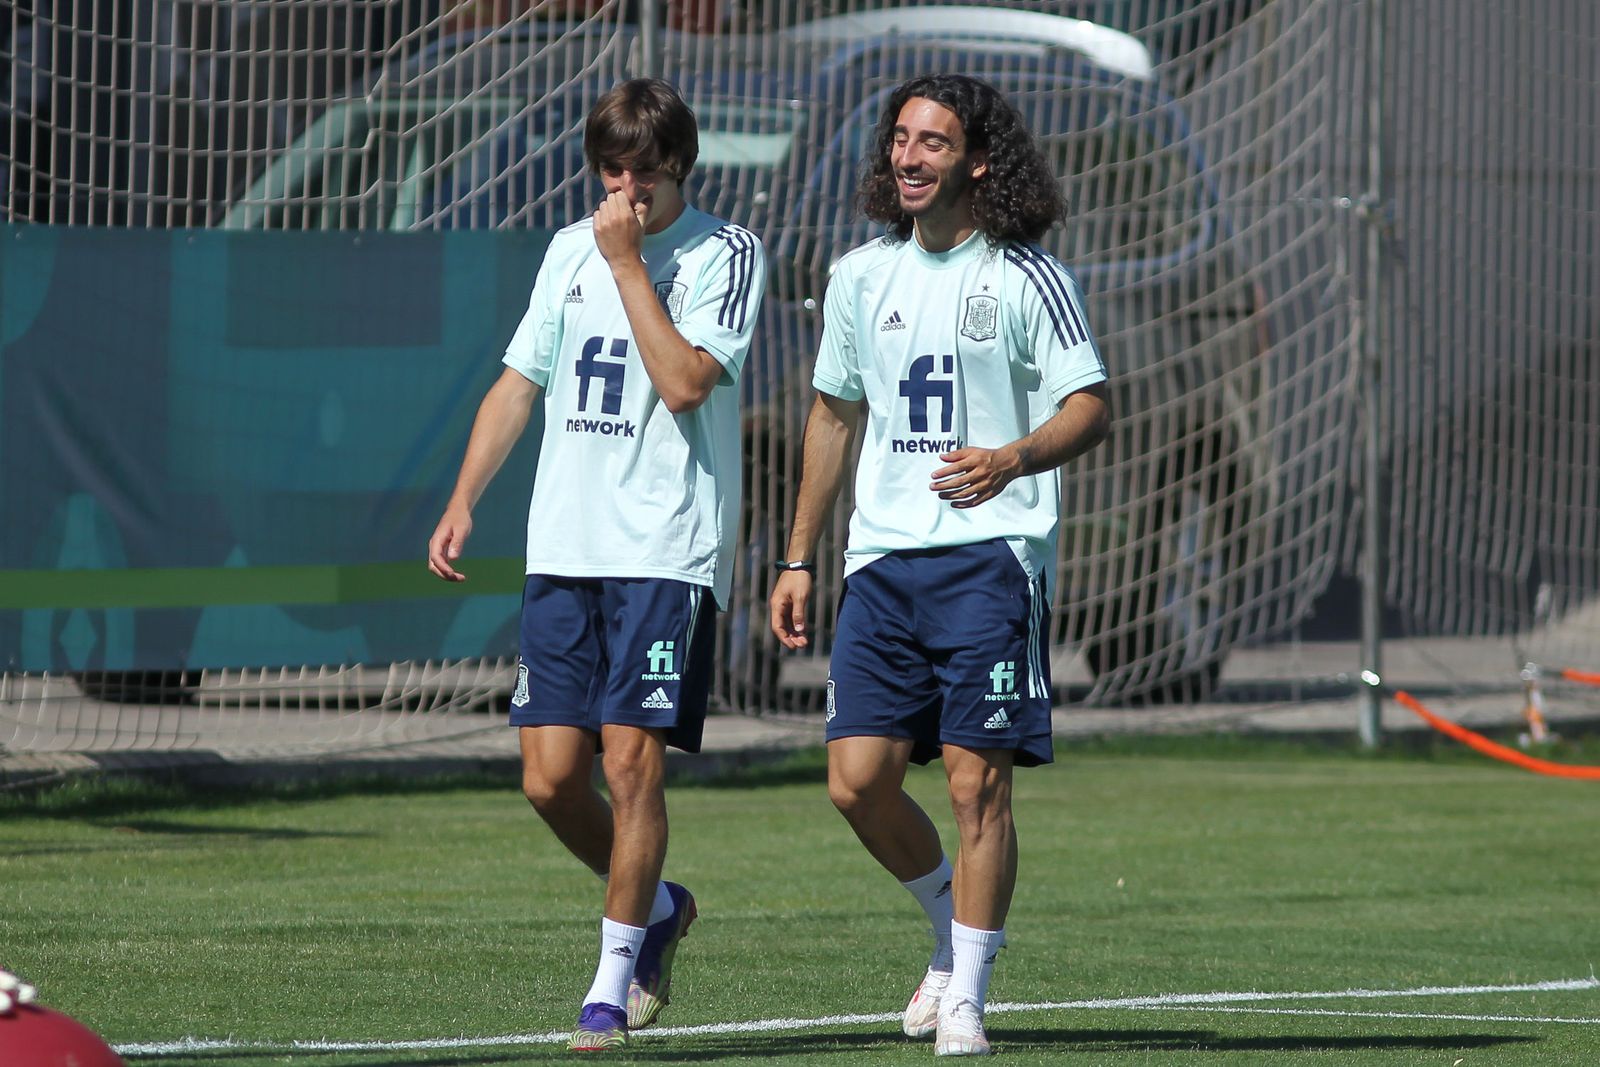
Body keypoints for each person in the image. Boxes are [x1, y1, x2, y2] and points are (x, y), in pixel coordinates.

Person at [769, 73, 1110, 1057]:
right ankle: (948, 925)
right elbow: (833, 414)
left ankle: (967, 996)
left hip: (990, 561)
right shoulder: (858, 277)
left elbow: (1089, 403)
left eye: (933, 142)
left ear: (979, 161)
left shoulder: (1026, 275)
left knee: (975, 787)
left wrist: (1012, 458)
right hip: (881, 564)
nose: (909, 157)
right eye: (901, 139)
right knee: (855, 781)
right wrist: (797, 555)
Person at [428, 78, 765, 1053]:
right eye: (611, 171)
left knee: (628, 761)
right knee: (547, 778)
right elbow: (517, 382)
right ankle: (658, 908)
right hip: (566, 546)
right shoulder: (567, 249)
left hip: (665, 547)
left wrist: (627, 266)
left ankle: (609, 987)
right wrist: (463, 497)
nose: (625, 190)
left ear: (680, 168)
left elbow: (686, 383)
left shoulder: (725, 252)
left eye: (643, 173)